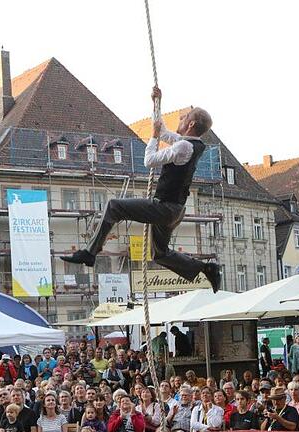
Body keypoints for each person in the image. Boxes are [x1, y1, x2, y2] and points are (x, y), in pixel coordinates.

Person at [61, 86, 220, 292]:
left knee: (114, 206)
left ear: (190, 124)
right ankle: (206, 268)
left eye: (184, 118)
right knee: (160, 254)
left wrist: (153, 137)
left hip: (165, 208)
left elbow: (149, 160)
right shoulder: (191, 144)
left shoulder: (183, 147)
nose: (179, 120)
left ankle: (90, 252)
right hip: (176, 210)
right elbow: (161, 130)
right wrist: (157, 103)